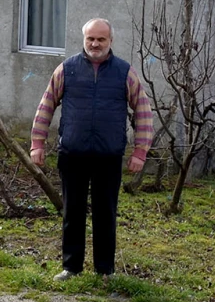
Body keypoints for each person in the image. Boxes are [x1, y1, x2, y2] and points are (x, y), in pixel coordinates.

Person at [29, 18, 153, 280]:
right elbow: (46, 105)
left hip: (108, 156)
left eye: (101, 39)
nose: (95, 44)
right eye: (90, 39)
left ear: (110, 41)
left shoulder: (124, 72)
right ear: (84, 40)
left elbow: (143, 111)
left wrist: (140, 151)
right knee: (72, 212)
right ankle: (71, 268)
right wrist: (37, 144)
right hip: (73, 154)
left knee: (105, 214)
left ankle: (105, 270)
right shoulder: (67, 70)